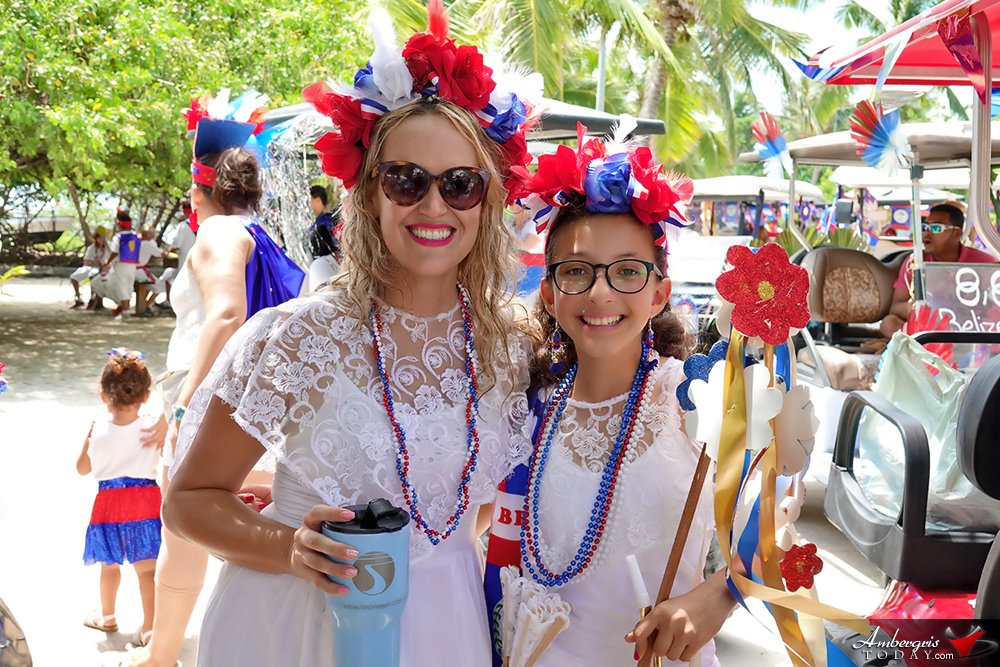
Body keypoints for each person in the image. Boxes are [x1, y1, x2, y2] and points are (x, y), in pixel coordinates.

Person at [162, 7, 540, 665]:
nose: (432, 205)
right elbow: (188, 501)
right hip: (300, 627)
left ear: (489, 198)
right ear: (368, 194)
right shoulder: (295, 337)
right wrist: (288, 546)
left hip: (448, 624)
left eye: (459, 184)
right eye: (406, 180)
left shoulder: (511, 346)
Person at [484, 129, 733, 666]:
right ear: (549, 293)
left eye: (626, 272)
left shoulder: (696, 398)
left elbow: (773, 533)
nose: (600, 292)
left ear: (659, 293)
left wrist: (717, 597)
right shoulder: (526, 407)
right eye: (576, 271)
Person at [130, 93, 305, 667]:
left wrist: (183, 406)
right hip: (263, 401)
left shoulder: (218, 233)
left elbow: (228, 314)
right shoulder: (267, 236)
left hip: (216, 392)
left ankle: (162, 657)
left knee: (185, 519)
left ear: (198, 188)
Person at [78, 348, 161, 648]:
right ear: (146, 395)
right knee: (147, 568)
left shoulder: (96, 429)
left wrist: (91, 442)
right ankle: (149, 628)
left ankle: (107, 615)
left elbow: (82, 468)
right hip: (145, 499)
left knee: (109, 565)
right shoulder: (152, 427)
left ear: (103, 395)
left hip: (109, 502)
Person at [880, 202, 997, 337]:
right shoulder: (915, 262)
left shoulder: (984, 263)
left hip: (970, 332)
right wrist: (913, 307)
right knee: (889, 323)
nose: (927, 233)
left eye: (936, 228)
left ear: (956, 233)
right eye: (925, 227)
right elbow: (895, 307)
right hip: (926, 334)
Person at [154, 200, 198, 311]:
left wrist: (168, 251)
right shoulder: (202, 223)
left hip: (185, 261)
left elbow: (176, 245)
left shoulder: (183, 225)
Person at [69, 226, 111, 309]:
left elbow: (110, 262)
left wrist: (102, 265)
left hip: (103, 269)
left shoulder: (108, 249)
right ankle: (78, 298)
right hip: (90, 267)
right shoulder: (91, 248)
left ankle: (93, 298)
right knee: (74, 277)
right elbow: (86, 261)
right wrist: (94, 262)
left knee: (93, 274)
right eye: (100, 237)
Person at [134, 227, 164, 317]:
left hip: (134, 270)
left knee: (149, 286)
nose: (154, 234)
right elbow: (160, 254)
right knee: (159, 286)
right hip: (139, 271)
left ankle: (144, 305)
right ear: (147, 235)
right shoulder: (147, 244)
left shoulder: (139, 242)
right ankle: (144, 306)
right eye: (152, 233)